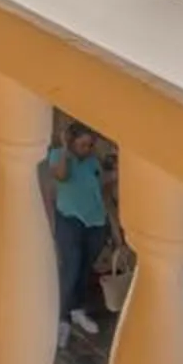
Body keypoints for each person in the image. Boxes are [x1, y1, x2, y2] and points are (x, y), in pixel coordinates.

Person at [45, 122, 110, 343]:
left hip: (95, 221)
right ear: (72, 143)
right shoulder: (59, 157)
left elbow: (103, 192)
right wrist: (64, 148)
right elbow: (61, 175)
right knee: (70, 267)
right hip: (70, 219)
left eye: (90, 144)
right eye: (82, 145)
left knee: (84, 268)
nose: (87, 149)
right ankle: (61, 317)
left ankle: (77, 309)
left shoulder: (93, 162)